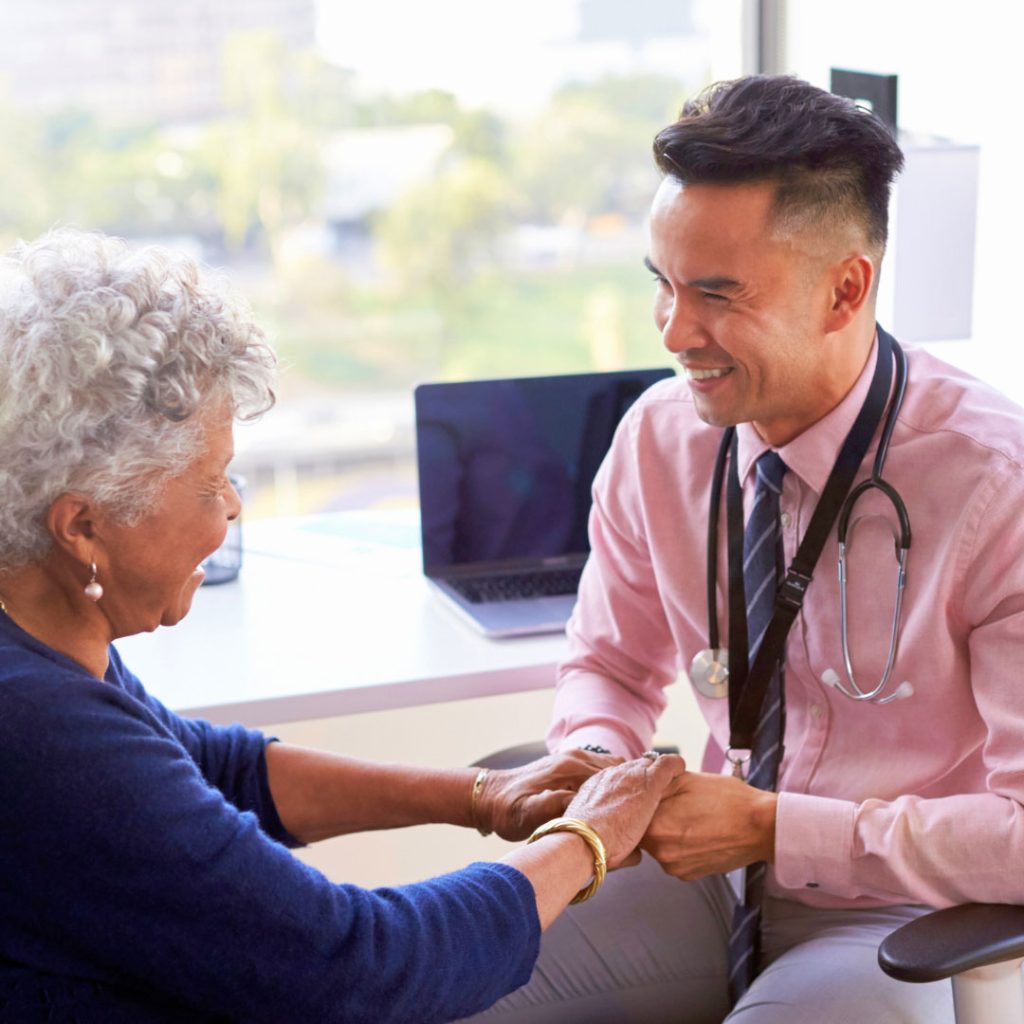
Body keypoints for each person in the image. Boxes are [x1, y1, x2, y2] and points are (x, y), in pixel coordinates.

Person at [0, 227, 686, 1023]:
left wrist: (486, 796)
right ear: (82, 525)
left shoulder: (43, 633)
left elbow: (214, 771)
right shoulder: (39, 727)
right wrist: (585, 844)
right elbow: (359, 967)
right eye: (210, 482)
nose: (231, 505)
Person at [465, 75, 1024, 1023]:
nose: (676, 332)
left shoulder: (993, 484)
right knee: (435, 981)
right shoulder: (658, 440)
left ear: (845, 289)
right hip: (706, 879)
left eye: (717, 295)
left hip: (898, 916)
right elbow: (607, 663)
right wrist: (598, 758)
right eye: (663, 284)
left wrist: (777, 828)